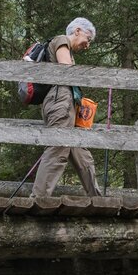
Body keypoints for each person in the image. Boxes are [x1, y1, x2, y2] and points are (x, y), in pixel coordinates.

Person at [31, 17, 102, 198]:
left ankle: (96, 197)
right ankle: (38, 198)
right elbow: (66, 72)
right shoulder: (62, 40)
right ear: (77, 31)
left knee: (79, 149)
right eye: (88, 38)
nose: (88, 45)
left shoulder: (66, 47)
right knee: (58, 147)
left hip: (64, 102)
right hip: (60, 100)